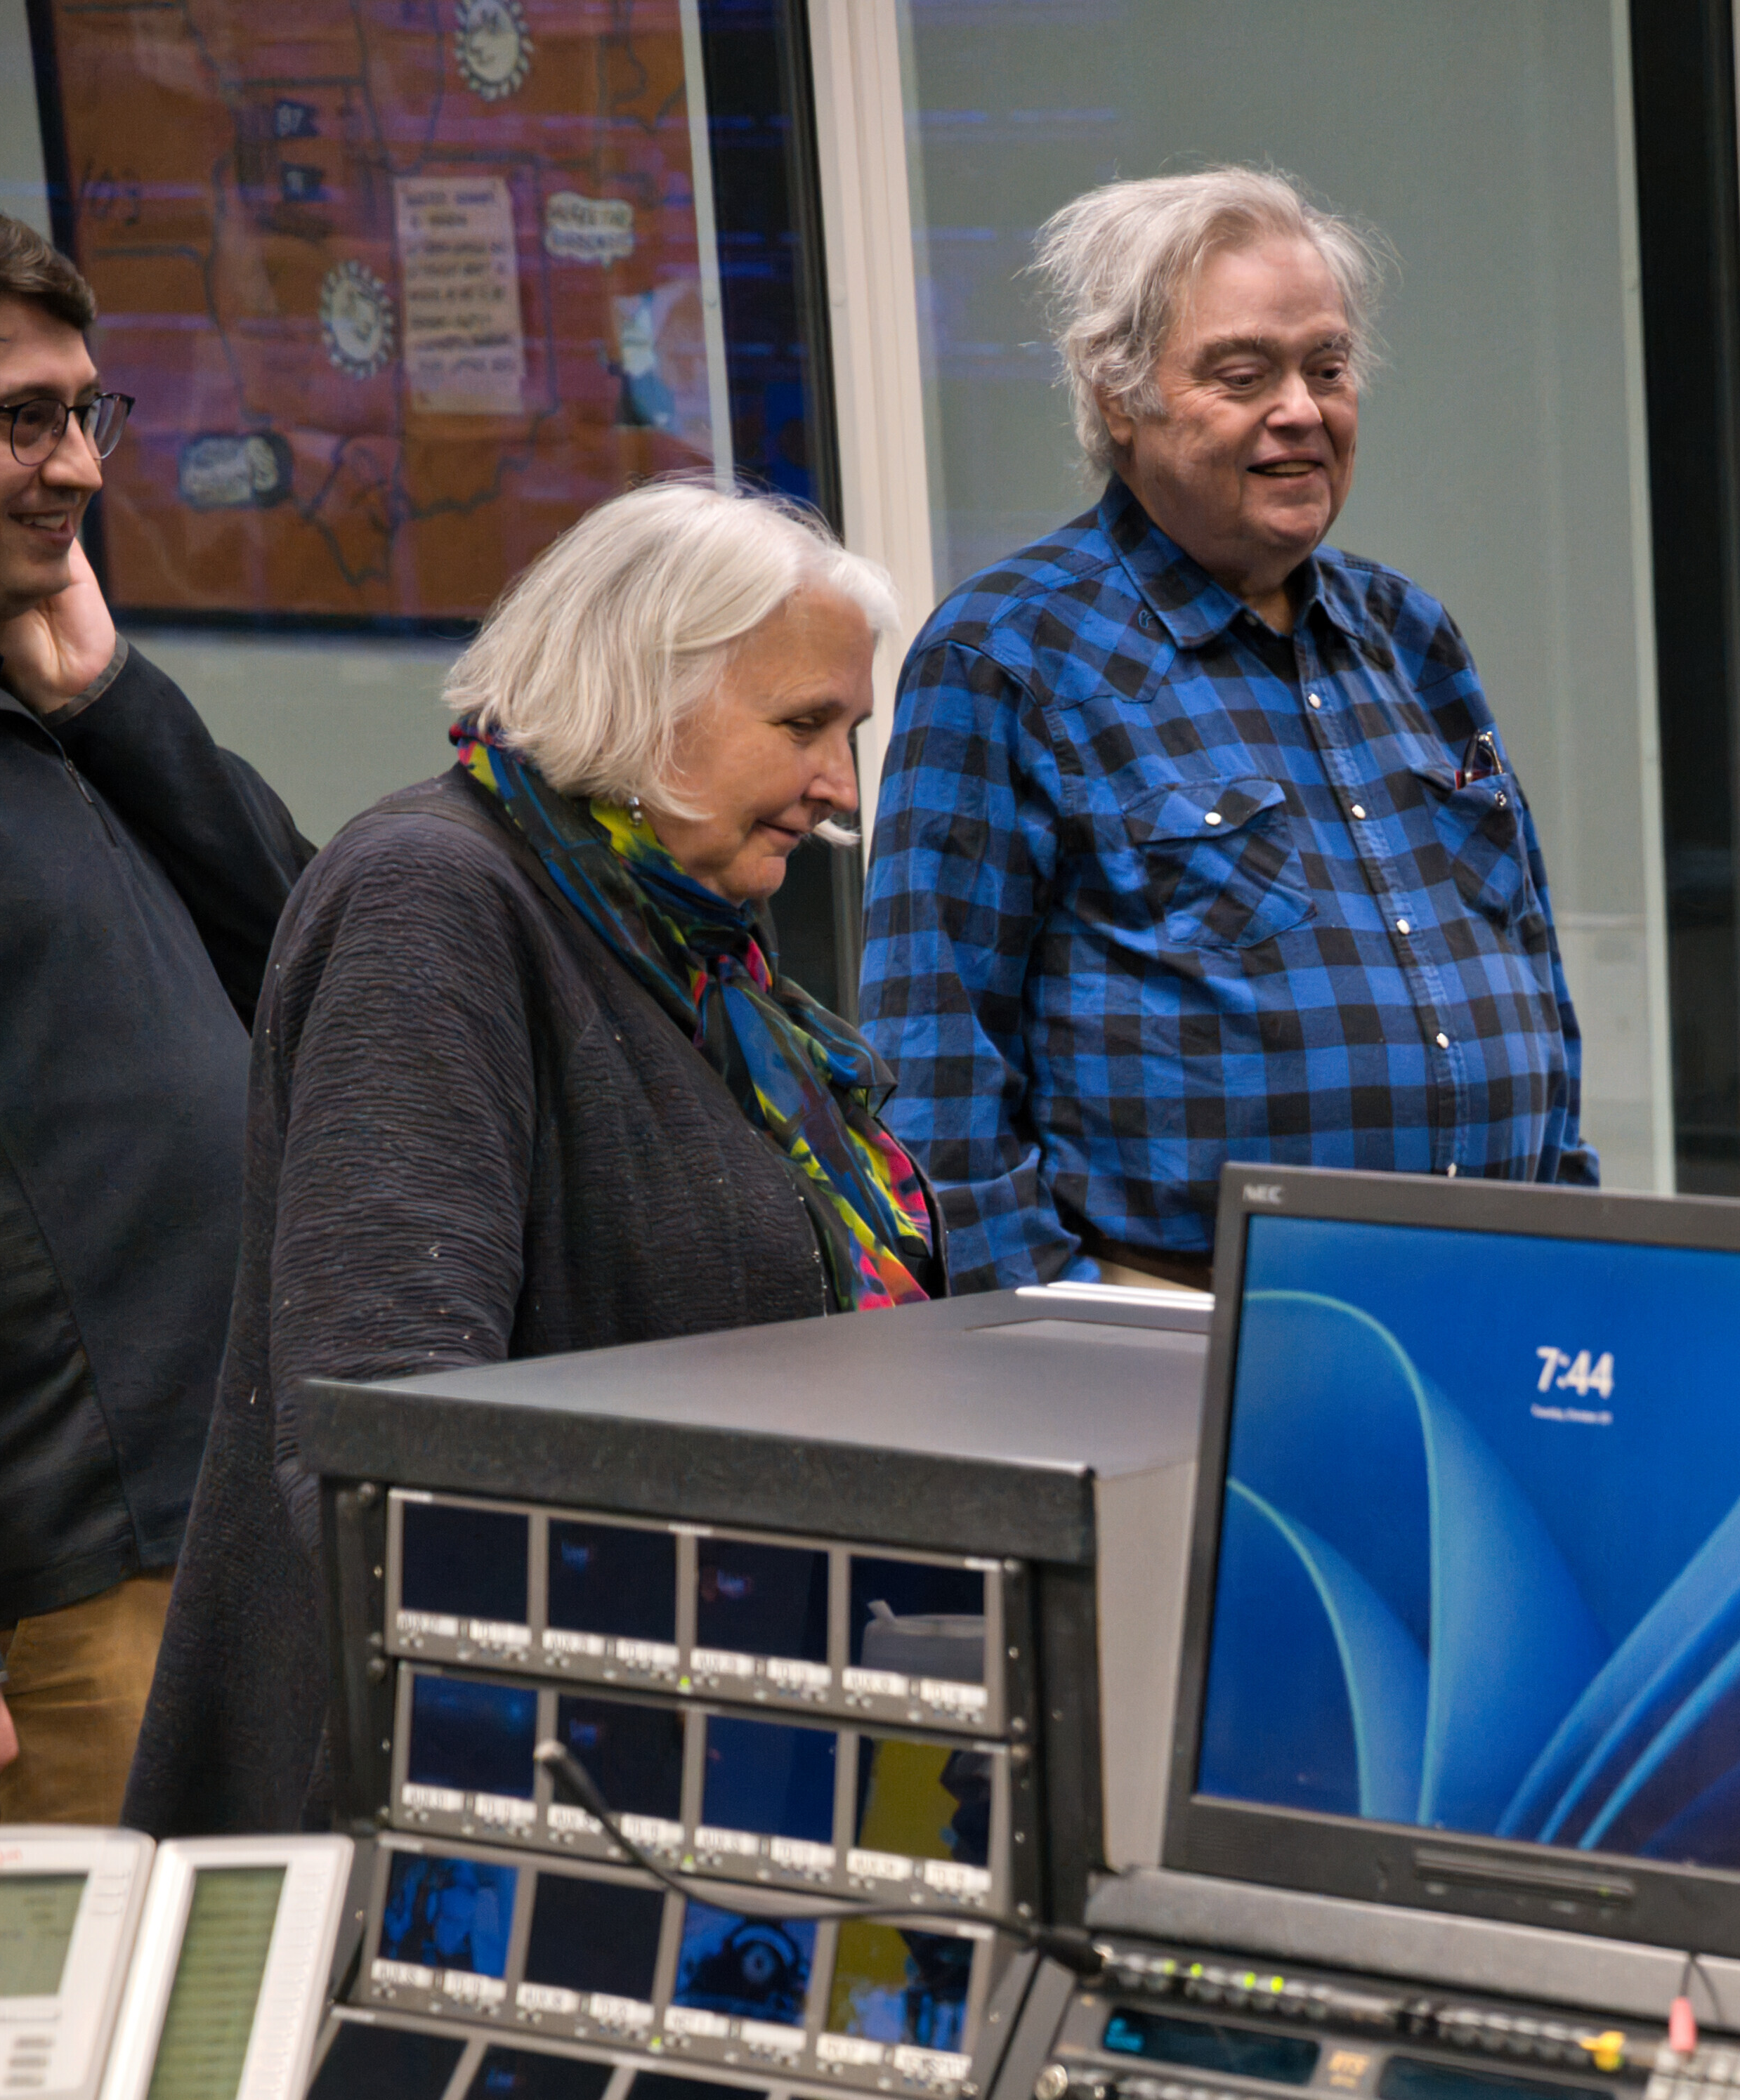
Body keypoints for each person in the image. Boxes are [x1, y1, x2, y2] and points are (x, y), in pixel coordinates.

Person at [127, 482, 941, 1834]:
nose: (840, 790)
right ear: (643, 694)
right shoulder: (432, 897)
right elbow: (384, 1425)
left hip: (695, 1743)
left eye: (849, 734)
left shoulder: (682, 935)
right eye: (803, 726)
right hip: (493, 1788)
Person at [861, 167, 1595, 1294]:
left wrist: (1583, 1268)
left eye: (1328, 368)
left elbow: (1531, 984)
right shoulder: (1010, 654)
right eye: (1243, 375)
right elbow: (935, 1070)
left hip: (1485, 1300)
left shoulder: (1410, 637)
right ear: (1118, 397)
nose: (1301, 409)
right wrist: (1055, 1339)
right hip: (1186, 1336)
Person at [0, 192, 309, 1825]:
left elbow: (318, 968)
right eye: (23, 417)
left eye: (89, 414)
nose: (77, 465)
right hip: (37, 1621)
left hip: (203, 1526)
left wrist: (114, 704)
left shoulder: (15, 689)